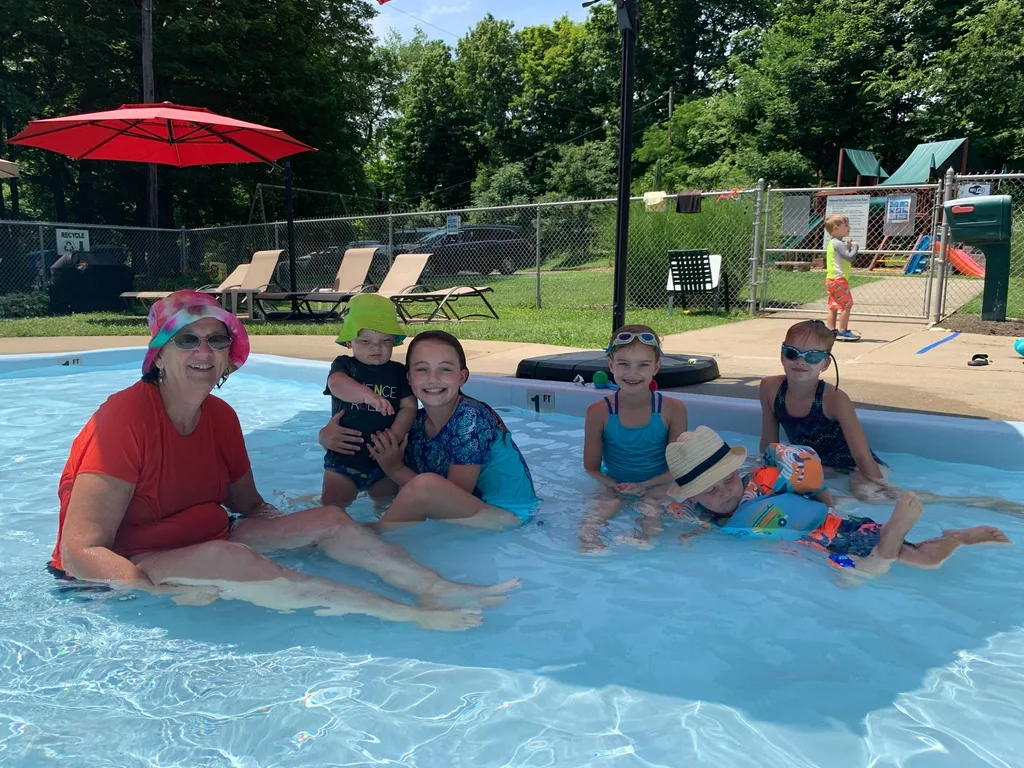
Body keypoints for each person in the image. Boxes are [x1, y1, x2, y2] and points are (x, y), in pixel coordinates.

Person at [50, 290, 518, 631]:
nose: (205, 352)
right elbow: (81, 552)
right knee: (228, 554)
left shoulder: (220, 416)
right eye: (187, 340)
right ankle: (407, 616)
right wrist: (153, 594)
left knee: (331, 518)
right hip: (131, 563)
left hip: (211, 532)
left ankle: (435, 588)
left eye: (216, 340)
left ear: (228, 356)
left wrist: (297, 530)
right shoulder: (123, 418)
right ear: (160, 355)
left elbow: (249, 505)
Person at [660, 426, 1010, 574]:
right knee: (921, 560)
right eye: (711, 491)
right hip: (812, 545)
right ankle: (955, 537)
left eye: (728, 480)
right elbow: (674, 515)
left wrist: (827, 501)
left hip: (832, 525)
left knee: (878, 567)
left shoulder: (761, 484)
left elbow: (807, 480)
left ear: (739, 472)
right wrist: (690, 535)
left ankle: (902, 538)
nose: (724, 493)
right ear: (693, 495)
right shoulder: (696, 513)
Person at [759, 319, 1024, 513]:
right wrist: (765, 470)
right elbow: (769, 443)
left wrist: (877, 483)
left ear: (825, 363)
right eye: (792, 353)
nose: (800, 361)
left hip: (856, 465)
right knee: (762, 476)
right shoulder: (771, 388)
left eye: (812, 356)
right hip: (819, 465)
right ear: (782, 355)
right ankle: (837, 500)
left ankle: (973, 503)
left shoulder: (834, 399)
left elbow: (861, 455)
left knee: (870, 495)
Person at [353, 330, 538, 530]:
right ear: (408, 377)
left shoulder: (471, 417)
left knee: (423, 484)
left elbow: (447, 495)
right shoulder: (415, 422)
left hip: (508, 518)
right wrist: (327, 436)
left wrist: (395, 469)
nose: (433, 379)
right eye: (422, 369)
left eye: (445, 369)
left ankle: (370, 534)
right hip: (474, 513)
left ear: (462, 377)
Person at [578, 325, 688, 553]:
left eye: (643, 365)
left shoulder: (673, 410)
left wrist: (643, 486)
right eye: (623, 364)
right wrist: (614, 485)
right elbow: (591, 468)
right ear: (611, 365)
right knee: (602, 508)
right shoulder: (598, 412)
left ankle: (644, 540)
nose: (632, 374)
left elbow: (678, 469)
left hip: (658, 483)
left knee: (652, 506)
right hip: (615, 482)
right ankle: (589, 543)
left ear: (656, 367)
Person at [322, 294, 417, 510]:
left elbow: (409, 407)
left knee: (385, 507)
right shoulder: (345, 366)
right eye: (365, 341)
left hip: (384, 462)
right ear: (349, 341)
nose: (376, 348)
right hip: (344, 460)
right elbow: (336, 384)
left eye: (385, 340)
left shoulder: (397, 371)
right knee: (331, 509)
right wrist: (367, 395)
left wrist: (394, 436)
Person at [824, 213, 860, 341]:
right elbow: (849, 257)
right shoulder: (837, 243)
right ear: (836, 228)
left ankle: (830, 330)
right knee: (847, 305)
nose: (848, 227)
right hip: (839, 280)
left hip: (831, 279)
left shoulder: (834, 243)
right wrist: (855, 248)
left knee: (833, 306)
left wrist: (848, 247)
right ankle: (843, 331)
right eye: (846, 225)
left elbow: (842, 254)